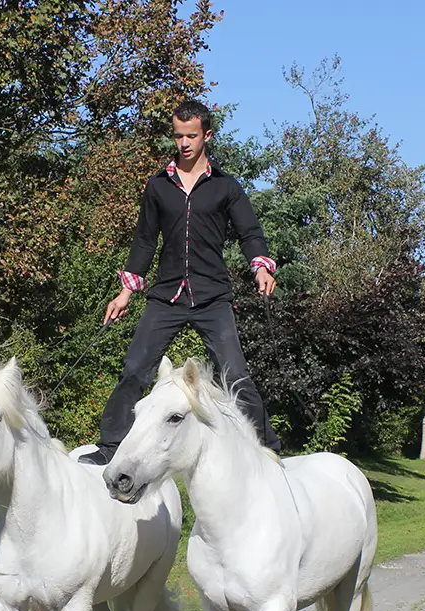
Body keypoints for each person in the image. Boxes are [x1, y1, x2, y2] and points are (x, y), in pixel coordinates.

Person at [78, 98, 283, 465]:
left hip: (212, 298)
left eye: (191, 135)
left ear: (206, 135)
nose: (184, 143)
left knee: (235, 374)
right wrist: (126, 291)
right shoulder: (158, 186)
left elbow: (250, 232)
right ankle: (110, 447)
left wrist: (261, 267)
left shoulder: (226, 187)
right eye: (178, 136)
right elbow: (144, 241)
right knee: (134, 370)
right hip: (166, 297)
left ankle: (266, 450)